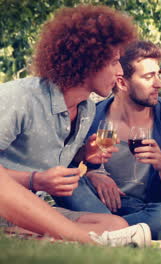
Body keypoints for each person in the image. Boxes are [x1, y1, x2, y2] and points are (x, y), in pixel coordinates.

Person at [0, 5, 141, 236]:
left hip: (31, 210)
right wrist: (35, 180)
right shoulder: (21, 98)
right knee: (104, 236)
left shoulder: (87, 110)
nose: (120, 73)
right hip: (7, 205)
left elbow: (47, 157)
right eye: (114, 62)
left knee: (116, 226)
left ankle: (24, 234)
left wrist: (83, 154)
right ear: (88, 60)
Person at [54, 41, 161, 241]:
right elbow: (63, 164)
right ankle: (119, 236)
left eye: (158, 75)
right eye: (149, 77)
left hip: (145, 211)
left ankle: (78, 230)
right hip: (94, 204)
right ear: (122, 82)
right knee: (66, 180)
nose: (159, 84)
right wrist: (92, 173)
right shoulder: (89, 115)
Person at [0, 165, 150, 247]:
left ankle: (20, 232)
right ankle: (90, 240)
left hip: (30, 201)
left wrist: (88, 161)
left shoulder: (85, 113)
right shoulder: (20, 108)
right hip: (6, 200)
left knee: (116, 224)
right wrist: (35, 180)